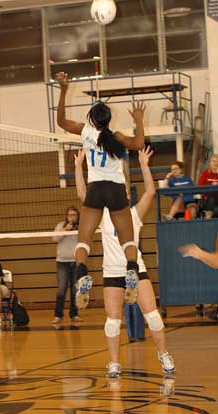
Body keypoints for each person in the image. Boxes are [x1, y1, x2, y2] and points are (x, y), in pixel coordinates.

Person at [75, 147, 175, 378]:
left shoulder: (134, 214)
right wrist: (78, 167)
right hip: (112, 273)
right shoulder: (99, 215)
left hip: (136, 270)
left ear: (127, 196)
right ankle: (114, 363)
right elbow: (82, 194)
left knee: (153, 316)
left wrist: (143, 163)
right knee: (112, 322)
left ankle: (163, 354)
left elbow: (150, 191)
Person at [56, 71, 145, 310]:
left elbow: (61, 122)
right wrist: (138, 119)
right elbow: (138, 144)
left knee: (83, 241)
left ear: (91, 118)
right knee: (128, 240)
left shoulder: (85, 131)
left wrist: (63, 90)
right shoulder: (115, 136)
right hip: (115, 190)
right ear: (107, 119)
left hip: (95, 190)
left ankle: (82, 274)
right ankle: (131, 271)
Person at [52, 206, 82, 324]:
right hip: (62, 262)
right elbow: (54, 238)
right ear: (66, 216)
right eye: (70, 215)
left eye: (74, 215)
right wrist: (65, 230)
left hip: (76, 261)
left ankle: (74, 314)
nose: (72, 217)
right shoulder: (61, 225)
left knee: (75, 290)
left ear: (77, 216)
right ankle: (58, 315)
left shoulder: (81, 226)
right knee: (61, 289)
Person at [198, 154, 218, 218]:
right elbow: (200, 186)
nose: (216, 163)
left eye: (217, 161)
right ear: (210, 163)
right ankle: (208, 217)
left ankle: (208, 217)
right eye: (214, 161)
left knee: (216, 210)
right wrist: (210, 185)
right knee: (212, 199)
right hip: (209, 198)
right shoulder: (205, 173)